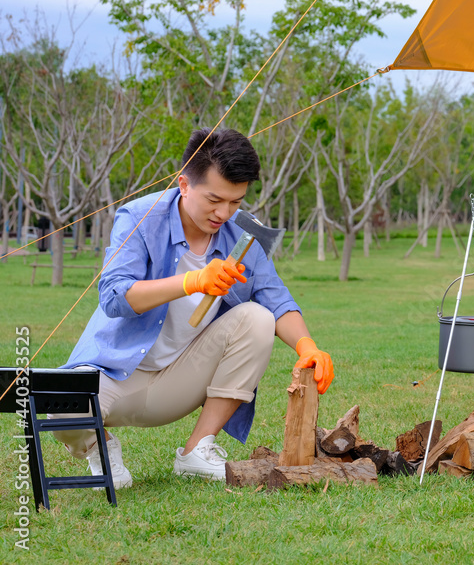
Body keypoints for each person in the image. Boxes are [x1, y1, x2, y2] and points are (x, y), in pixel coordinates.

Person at [55, 128, 334, 487]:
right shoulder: (140, 217)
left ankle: (197, 450)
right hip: (116, 371)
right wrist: (193, 281)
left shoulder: (242, 236)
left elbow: (275, 298)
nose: (224, 213)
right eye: (215, 199)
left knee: (258, 318)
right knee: (60, 402)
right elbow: (113, 297)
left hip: (180, 381)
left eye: (236, 202)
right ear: (184, 184)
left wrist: (307, 346)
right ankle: (100, 446)